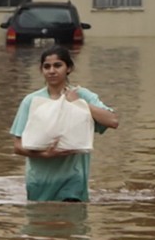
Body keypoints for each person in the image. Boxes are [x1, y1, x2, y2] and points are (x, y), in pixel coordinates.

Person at [10, 46, 119, 202]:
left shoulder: (82, 96)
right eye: (47, 66)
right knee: (41, 225)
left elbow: (113, 121)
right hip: (40, 182)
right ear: (41, 70)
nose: (52, 71)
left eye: (58, 65)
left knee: (72, 223)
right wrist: (45, 154)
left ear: (69, 68)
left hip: (74, 182)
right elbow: (17, 146)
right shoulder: (32, 101)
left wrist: (78, 103)